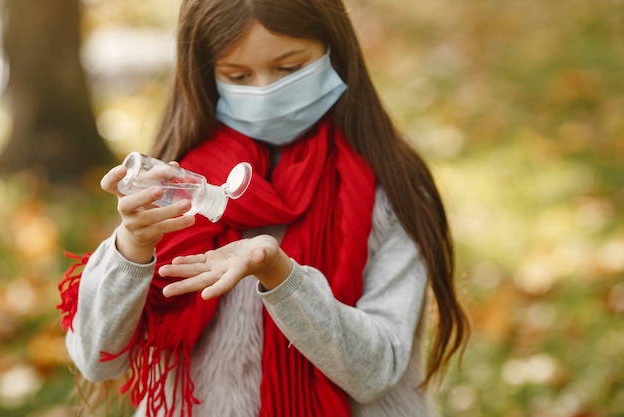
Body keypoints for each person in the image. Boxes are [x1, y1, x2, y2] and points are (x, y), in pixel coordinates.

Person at [58, 0, 470, 416]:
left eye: (289, 68)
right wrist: (131, 247)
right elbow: (98, 360)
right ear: (206, 73)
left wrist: (283, 278)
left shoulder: (391, 185)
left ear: (334, 50)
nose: (264, 91)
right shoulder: (178, 185)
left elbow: (376, 371)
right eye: (238, 75)